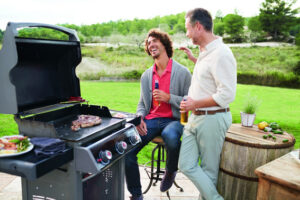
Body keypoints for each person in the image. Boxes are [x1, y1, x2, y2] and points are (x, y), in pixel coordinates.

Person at [125, 29, 192, 200]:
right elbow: (142, 103)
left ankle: (170, 171)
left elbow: (190, 100)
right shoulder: (147, 75)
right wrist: (139, 116)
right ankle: (136, 194)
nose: (150, 44)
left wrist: (169, 98)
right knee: (127, 149)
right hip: (152, 120)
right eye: (148, 43)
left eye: (154, 40)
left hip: (174, 120)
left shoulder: (183, 72)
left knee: (170, 135)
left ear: (164, 44)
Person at [178, 8, 237, 200]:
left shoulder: (222, 53)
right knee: (185, 164)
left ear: (197, 27)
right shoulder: (204, 52)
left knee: (209, 171)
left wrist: (195, 103)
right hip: (194, 118)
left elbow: (227, 94)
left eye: (187, 28)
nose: (187, 34)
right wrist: (191, 104)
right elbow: (207, 79)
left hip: (213, 119)